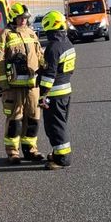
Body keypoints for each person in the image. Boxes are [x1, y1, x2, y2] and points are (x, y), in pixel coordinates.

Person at [0, 1, 45, 165]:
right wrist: (4, 84)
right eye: (20, 18)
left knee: (33, 118)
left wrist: (46, 70)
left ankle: (31, 150)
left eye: (25, 17)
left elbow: (39, 54)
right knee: (15, 119)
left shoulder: (31, 33)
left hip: (32, 85)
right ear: (13, 18)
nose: (23, 20)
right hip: (13, 86)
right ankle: (12, 153)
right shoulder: (5, 34)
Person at [39, 10, 76, 169]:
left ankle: (62, 159)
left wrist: (42, 94)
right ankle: (57, 152)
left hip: (54, 94)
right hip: (65, 90)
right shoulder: (67, 43)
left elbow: (49, 75)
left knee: (55, 126)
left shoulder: (53, 47)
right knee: (60, 124)